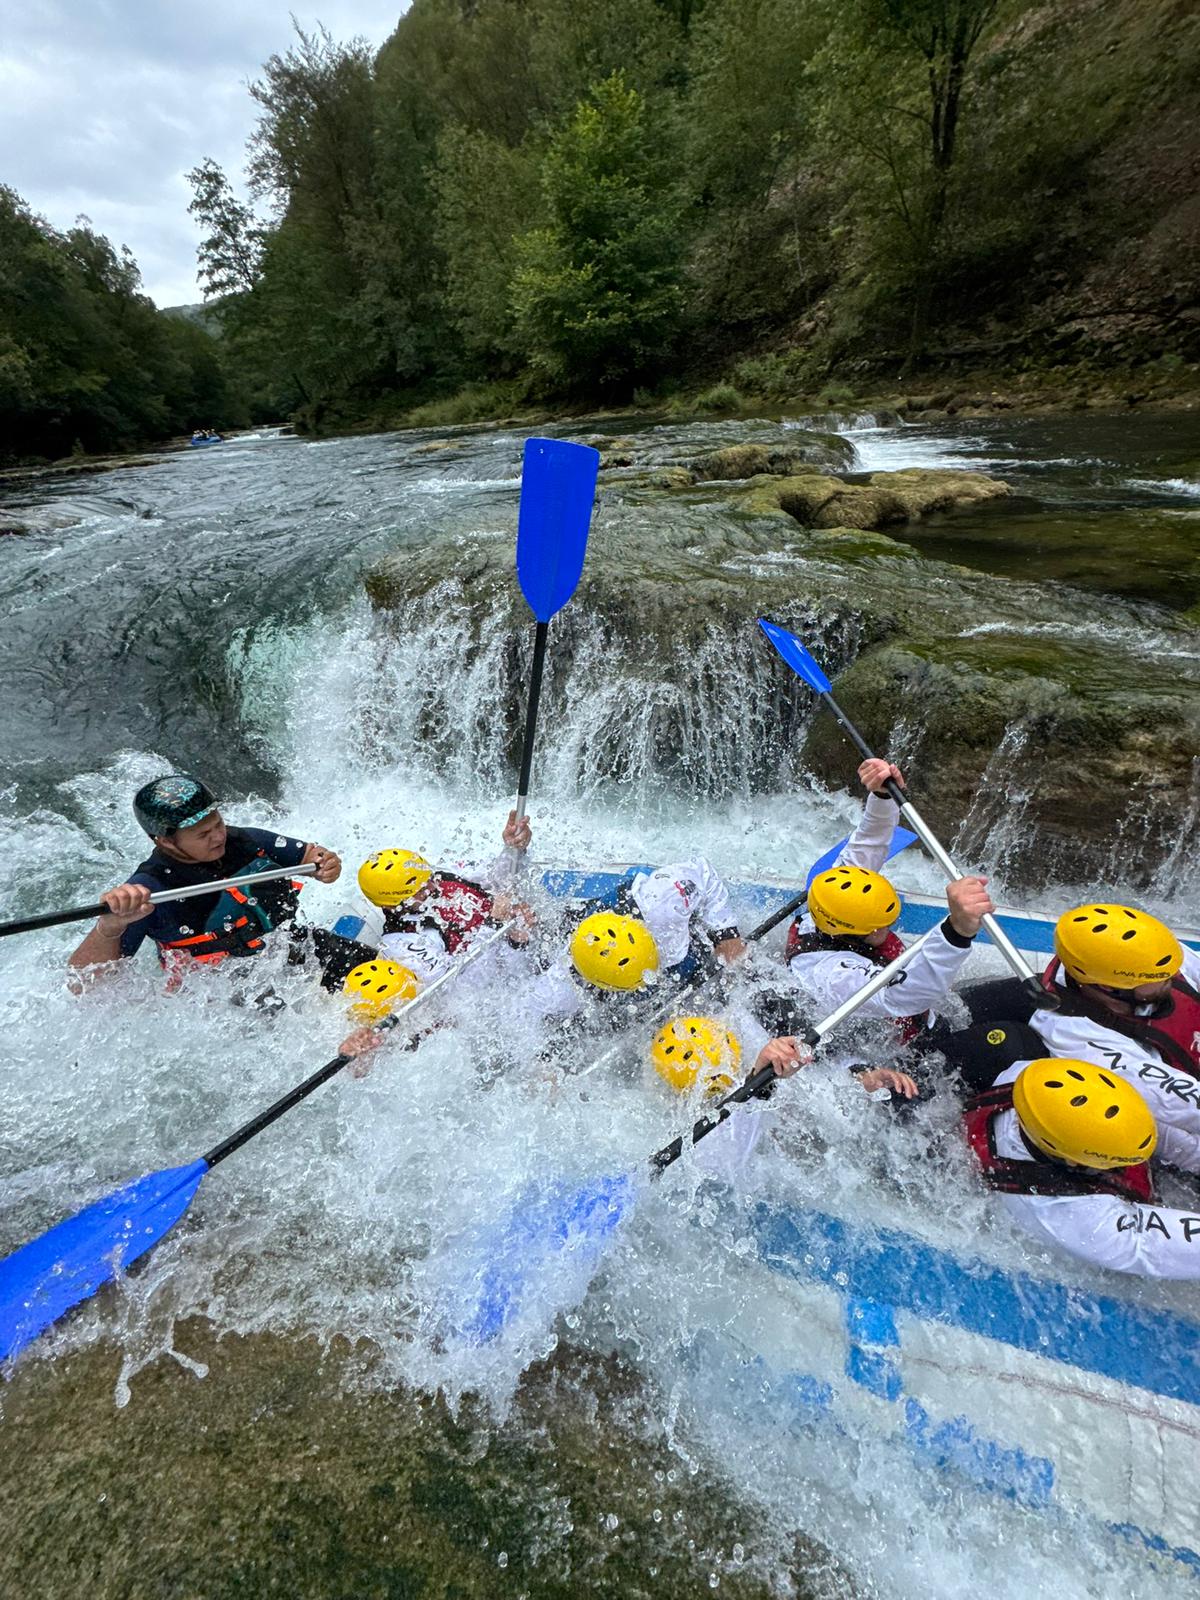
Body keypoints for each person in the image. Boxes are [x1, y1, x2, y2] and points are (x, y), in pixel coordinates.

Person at [786, 758, 995, 1041]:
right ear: (862, 933)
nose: (887, 929)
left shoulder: (831, 898)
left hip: (933, 1007)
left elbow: (868, 843)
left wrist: (883, 796)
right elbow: (908, 995)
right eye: (884, 924)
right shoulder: (834, 975)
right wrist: (958, 930)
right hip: (920, 1048)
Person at [68, 774, 343, 984]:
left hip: (284, 948)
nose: (219, 836)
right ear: (167, 842)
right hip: (220, 986)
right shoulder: (150, 889)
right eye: (203, 835)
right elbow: (84, 983)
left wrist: (325, 865)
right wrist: (110, 926)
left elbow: (310, 856)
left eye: (218, 824)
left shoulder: (246, 841)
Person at [962, 1051, 1200, 1278]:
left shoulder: (1030, 1077)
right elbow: (1166, 1246)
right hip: (1096, 1243)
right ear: (1072, 1160)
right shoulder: (1076, 1217)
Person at [1024, 903, 1200, 1169]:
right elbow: (1175, 1102)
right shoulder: (1073, 1036)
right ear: (1109, 987)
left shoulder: (1150, 960)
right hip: (1159, 1116)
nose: (1174, 976)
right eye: (1161, 977)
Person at [648, 1013, 918, 1181]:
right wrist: (759, 1076)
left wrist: (863, 1078)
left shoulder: (753, 1069)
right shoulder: (708, 1150)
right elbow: (724, 1161)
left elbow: (824, 1085)